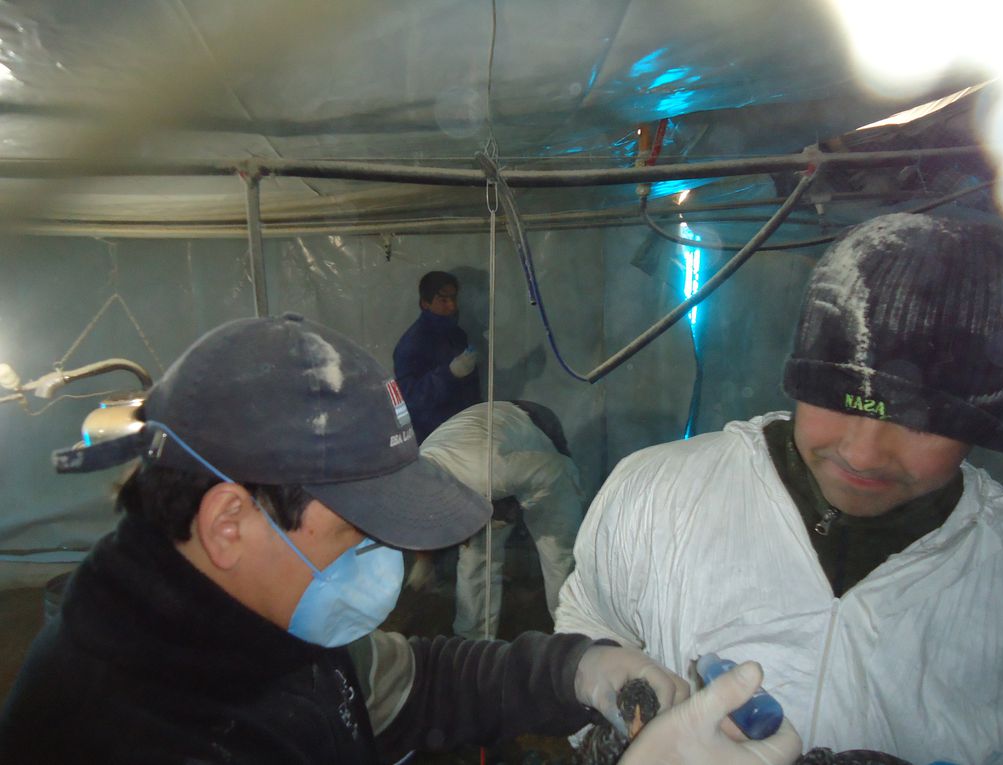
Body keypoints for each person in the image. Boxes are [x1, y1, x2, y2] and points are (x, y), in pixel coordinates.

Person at [0, 313, 797, 765]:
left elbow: (417, 682)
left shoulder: (258, 628)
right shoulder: (117, 733)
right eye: (359, 532)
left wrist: (583, 670)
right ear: (230, 523)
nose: (385, 564)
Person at [555, 213, 1003, 765]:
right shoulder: (657, 493)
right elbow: (591, 618)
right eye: (838, 398)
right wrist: (611, 729)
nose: (862, 453)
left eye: (920, 418)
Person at [417, 400, 584, 639]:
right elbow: (423, 519)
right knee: (476, 555)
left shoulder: (488, 473)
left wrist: (512, 507)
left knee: (559, 553)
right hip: (484, 442)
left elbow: (558, 472)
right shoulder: (419, 477)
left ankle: (575, 635)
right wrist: (424, 560)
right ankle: (472, 644)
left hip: (534, 426)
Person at [393, 270, 481, 443]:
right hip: (431, 438)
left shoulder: (457, 335)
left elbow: (469, 388)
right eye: (443, 300)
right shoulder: (412, 343)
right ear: (425, 303)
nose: (452, 306)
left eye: (453, 298)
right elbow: (409, 398)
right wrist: (450, 373)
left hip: (462, 430)